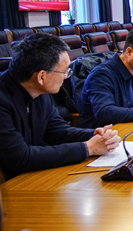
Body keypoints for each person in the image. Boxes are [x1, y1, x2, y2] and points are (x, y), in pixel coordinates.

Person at [0, 33, 120, 180]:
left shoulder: (39, 90)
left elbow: (56, 131)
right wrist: (88, 148)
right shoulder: (3, 100)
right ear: (41, 76)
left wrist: (93, 135)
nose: (66, 77)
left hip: (32, 175)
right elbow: (19, 157)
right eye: (65, 72)